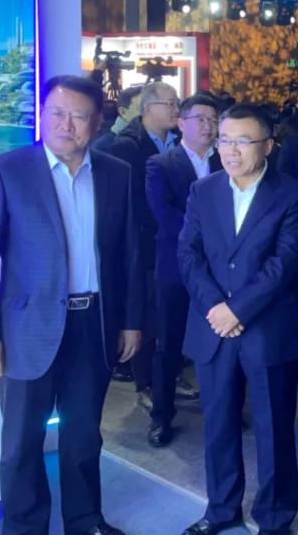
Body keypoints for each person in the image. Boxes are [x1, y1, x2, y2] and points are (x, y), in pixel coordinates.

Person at [0, 75, 142, 535]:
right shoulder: (7, 171)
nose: (66, 124)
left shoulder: (117, 173)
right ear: (42, 116)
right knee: (21, 444)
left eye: (78, 116)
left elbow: (130, 255)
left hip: (94, 324)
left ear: (96, 122)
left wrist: (130, 321)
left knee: (83, 435)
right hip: (26, 330)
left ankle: (85, 520)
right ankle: (25, 528)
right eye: (57, 113)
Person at [178, 105, 298, 535]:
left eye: (243, 141)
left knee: (273, 427)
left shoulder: (291, 193)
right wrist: (217, 307)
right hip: (213, 326)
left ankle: (274, 516)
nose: (231, 150)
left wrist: (237, 310)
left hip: (267, 329)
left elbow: (284, 263)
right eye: (225, 140)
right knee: (218, 424)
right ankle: (221, 509)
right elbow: (188, 255)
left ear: (268, 145)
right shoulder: (203, 190)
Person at [144, 93, 222, 447]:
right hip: (176, 268)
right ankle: (161, 417)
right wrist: (212, 236)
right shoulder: (161, 164)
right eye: (200, 119)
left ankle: (224, 410)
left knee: (221, 342)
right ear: (181, 123)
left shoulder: (226, 159)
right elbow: (166, 215)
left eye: (213, 120)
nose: (207, 126)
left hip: (220, 269)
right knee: (168, 345)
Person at [108, 81, 181, 410]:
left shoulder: (176, 142)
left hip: (175, 241)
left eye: (177, 103)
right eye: (170, 103)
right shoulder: (127, 146)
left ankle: (170, 377)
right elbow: (125, 202)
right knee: (149, 317)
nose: (176, 109)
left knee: (170, 316)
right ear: (148, 108)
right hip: (146, 244)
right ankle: (146, 384)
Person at [92, 84, 143, 153]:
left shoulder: (151, 137)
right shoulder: (103, 147)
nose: (149, 112)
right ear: (123, 112)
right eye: (141, 108)